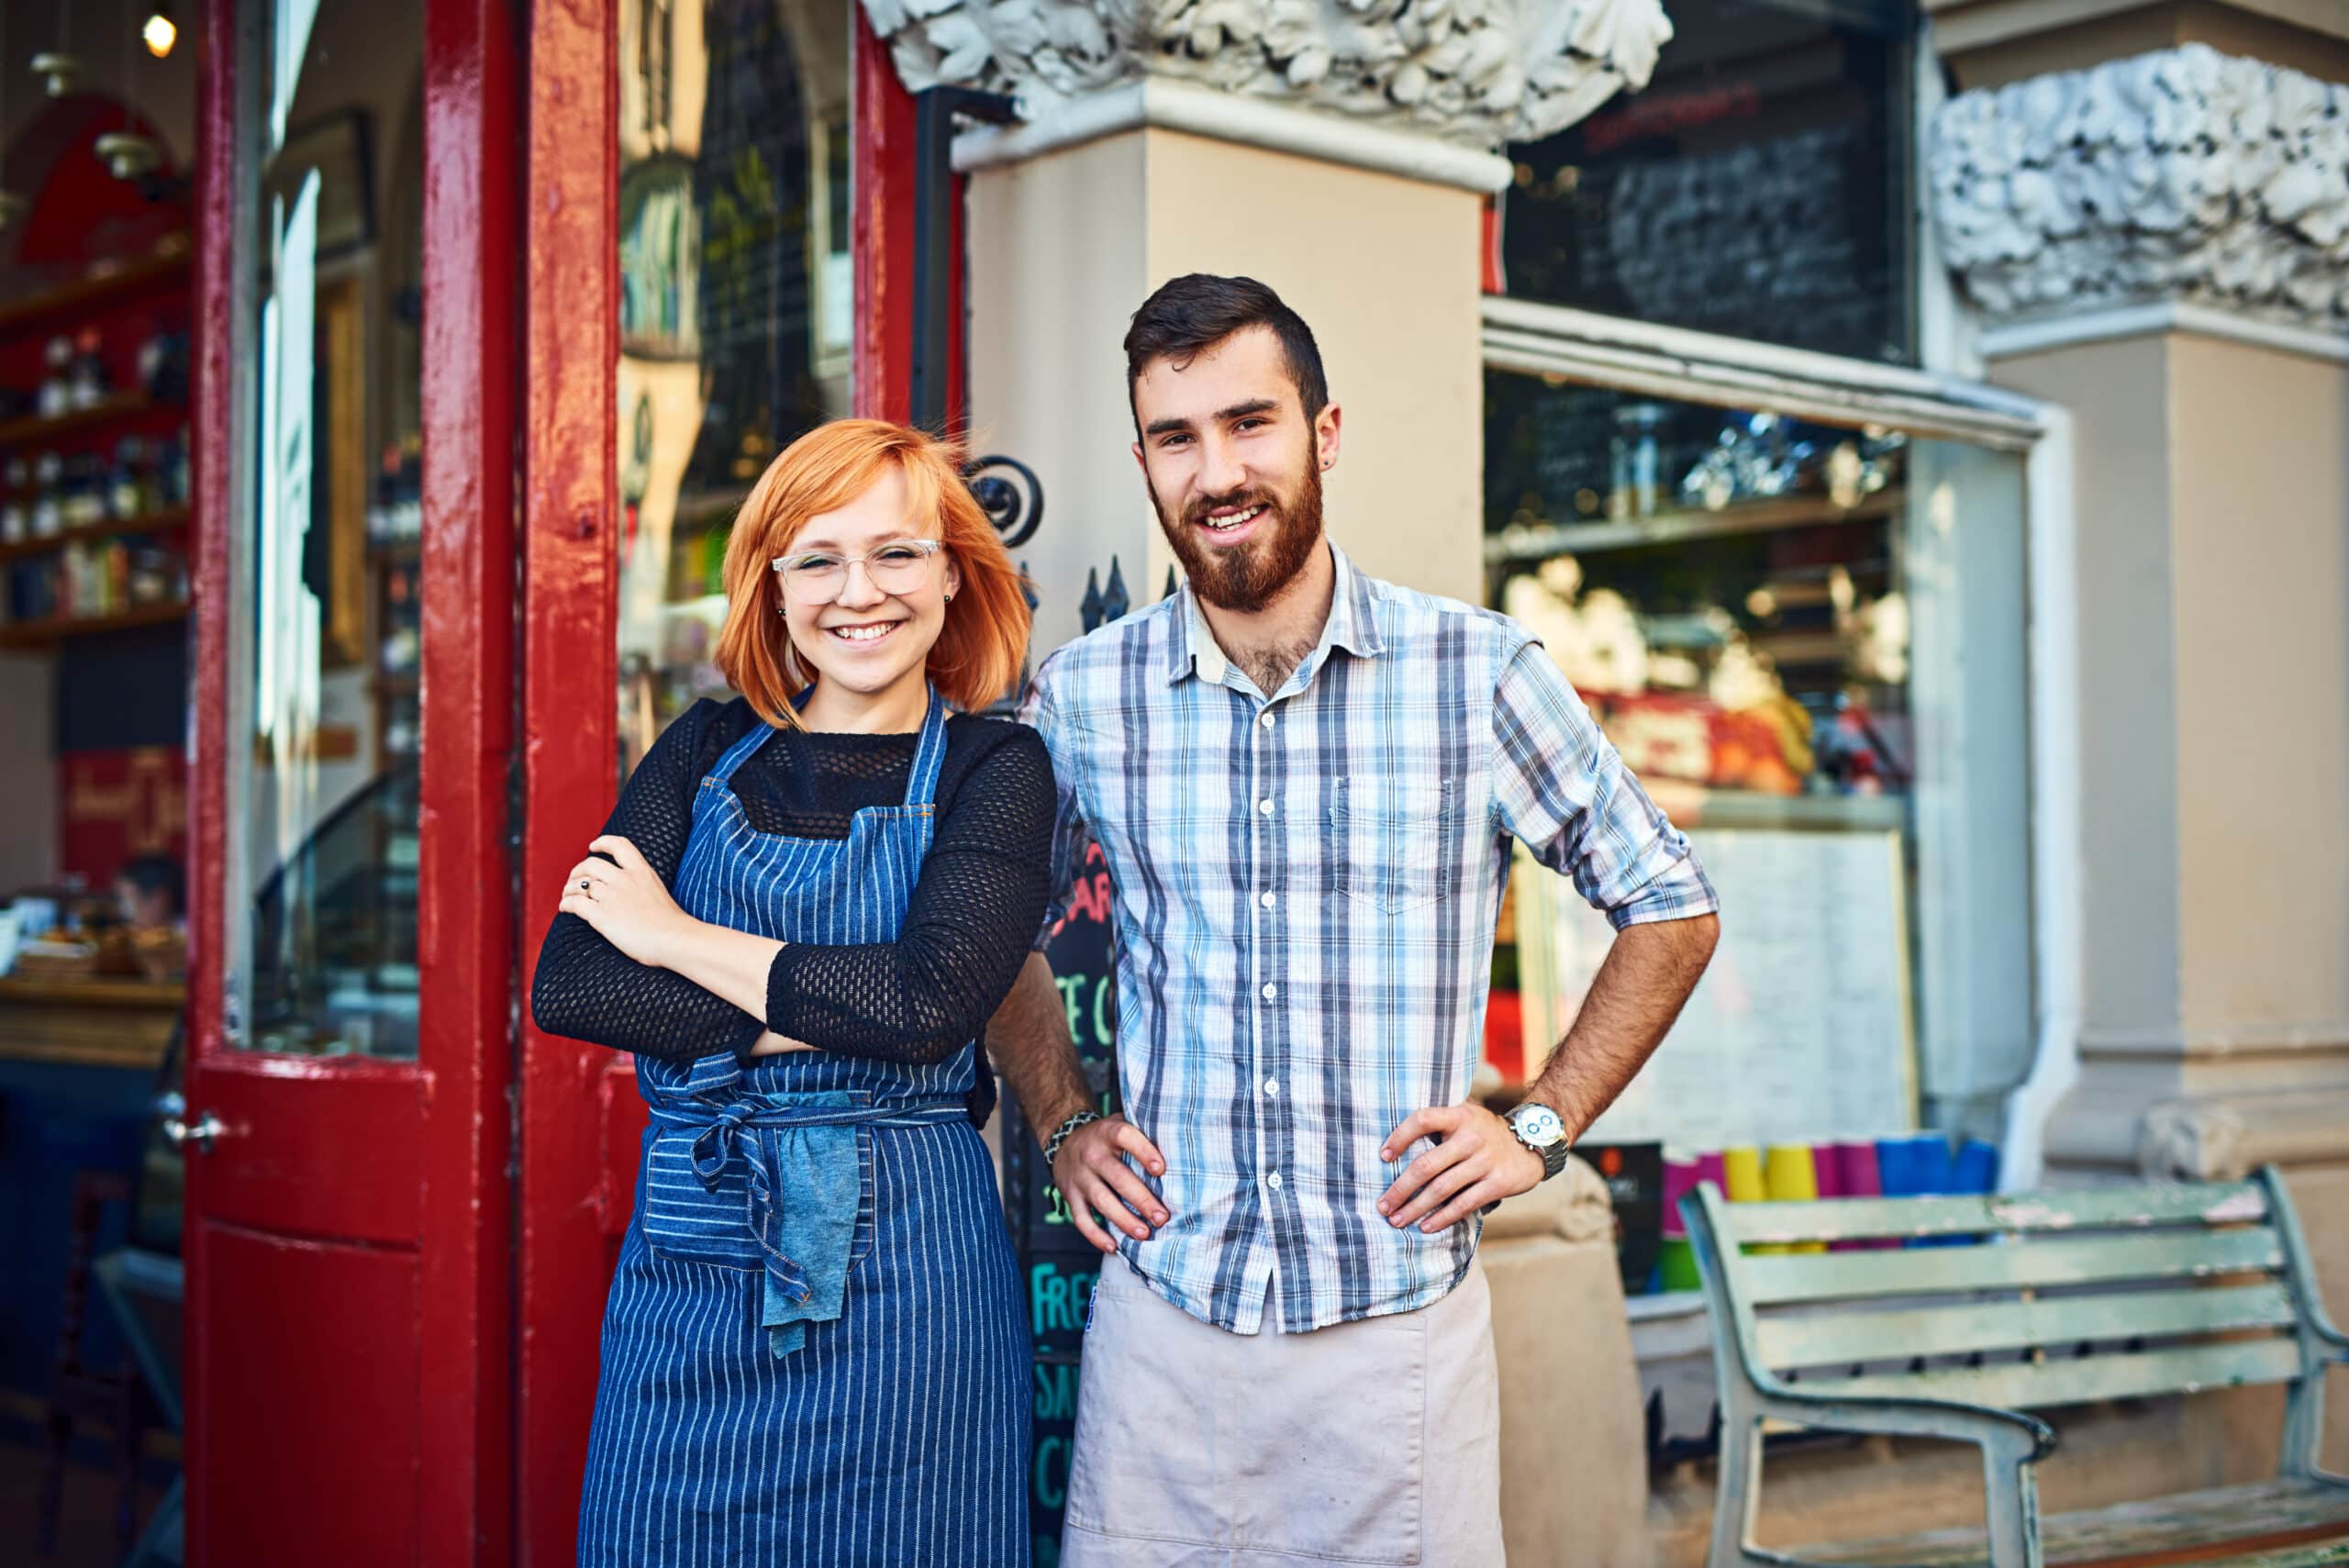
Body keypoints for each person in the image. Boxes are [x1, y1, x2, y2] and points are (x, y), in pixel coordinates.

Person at [989, 275, 1722, 1567]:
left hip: (1397, 1336)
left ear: (1325, 432)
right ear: (1147, 463)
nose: (1218, 472)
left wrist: (1538, 1122)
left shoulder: (1476, 672)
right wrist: (1059, 1117)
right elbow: (988, 932)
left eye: (1249, 423)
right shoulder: (1084, 698)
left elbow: (1670, 906)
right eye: (1177, 438)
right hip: (1164, 1329)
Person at [529, 419, 1048, 1567]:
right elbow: (570, 983)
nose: (856, 592)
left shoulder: (998, 769)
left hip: (909, 1284)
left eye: (896, 553)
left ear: (954, 573)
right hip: (692, 1271)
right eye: (816, 558)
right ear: (772, 584)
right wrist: (833, 1019)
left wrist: (672, 937)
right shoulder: (705, 747)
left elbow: (930, 1005)